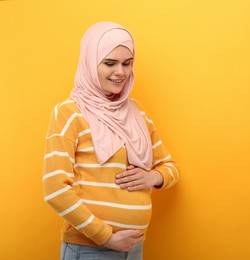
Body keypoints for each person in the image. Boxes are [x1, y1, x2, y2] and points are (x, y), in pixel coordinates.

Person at [43, 21, 179, 260]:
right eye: (110, 63)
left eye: (127, 64)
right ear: (89, 61)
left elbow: (170, 168)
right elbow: (54, 190)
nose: (121, 72)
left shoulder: (137, 113)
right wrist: (106, 237)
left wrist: (154, 177)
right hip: (89, 249)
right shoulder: (69, 112)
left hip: (133, 249)